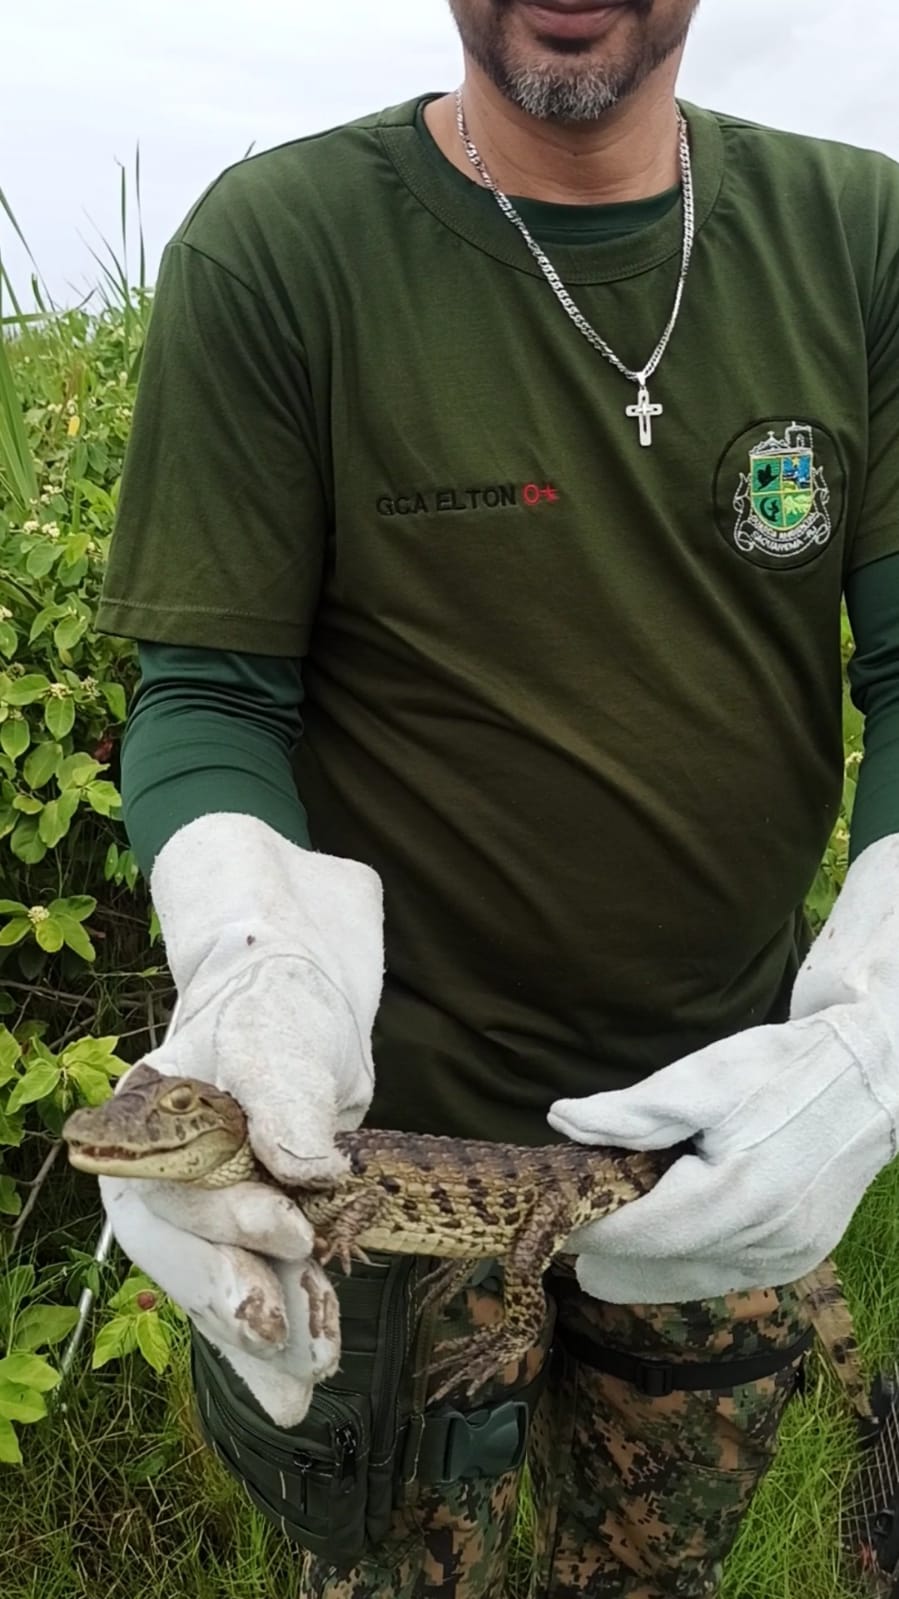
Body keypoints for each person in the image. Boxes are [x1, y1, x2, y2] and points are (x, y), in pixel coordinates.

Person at [94, 1, 899, 1594]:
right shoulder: (281, 247)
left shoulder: (863, 239)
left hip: (735, 1121)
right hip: (376, 1131)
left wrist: (876, 1026)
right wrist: (253, 962)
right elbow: (206, 696)